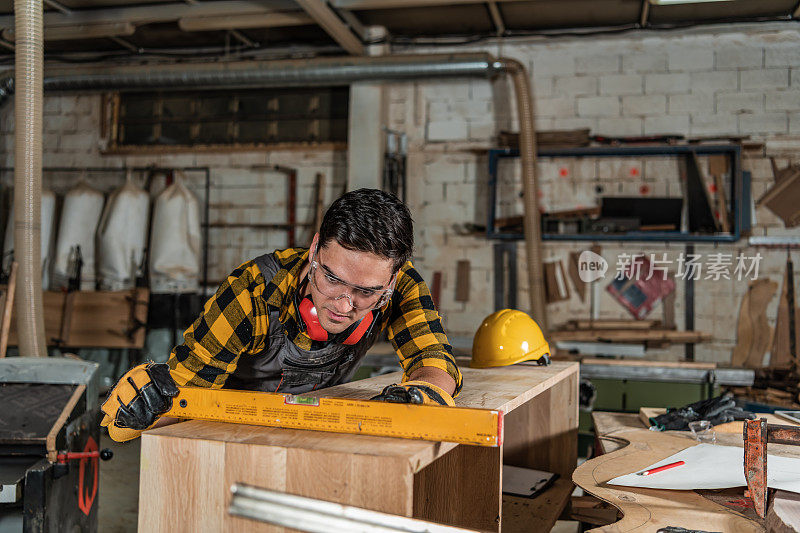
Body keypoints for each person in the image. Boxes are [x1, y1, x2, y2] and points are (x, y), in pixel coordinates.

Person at [101, 188, 462, 442]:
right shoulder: (252, 295)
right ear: (315, 249)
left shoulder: (400, 285)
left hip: (316, 433)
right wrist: (145, 408)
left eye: (366, 292)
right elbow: (186, 392)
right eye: (332, 278)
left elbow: (433, 359)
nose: (344, 304)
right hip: (230, 436)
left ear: (392, 278)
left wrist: (425, 393)